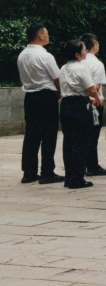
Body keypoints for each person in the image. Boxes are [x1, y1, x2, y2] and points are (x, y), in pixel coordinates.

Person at [17, 23, 64, 184]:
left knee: (31, 135)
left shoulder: (22, 55)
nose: (48, 36)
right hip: (46, 96)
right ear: (40, 35)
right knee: (49, 135)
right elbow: (57, 77)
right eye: (46, 33)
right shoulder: (45, 56)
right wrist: (59, 93)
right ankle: (47, 171)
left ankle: (29, 172)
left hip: (30, 97)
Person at [58, 39, 102, 189]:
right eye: (84, 50)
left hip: (66, 104)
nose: (86, 52)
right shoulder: (81, 68)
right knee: (81, 141)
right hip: (79, 106)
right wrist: (97, 99)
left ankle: (69, 176)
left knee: (69, 142)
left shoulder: (63, 68)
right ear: (77, 54)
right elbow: (91, 88)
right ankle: (77, 178)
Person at [80, 33, 106, 176]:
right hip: (94, 102)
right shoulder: (97, 64)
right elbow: (96, 87)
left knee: (82, 136)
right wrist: (97, 99)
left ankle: (83, 164)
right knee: (93, 136)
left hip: (79, 101)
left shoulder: (78, 61)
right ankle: (92, 165)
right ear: (94, 45)